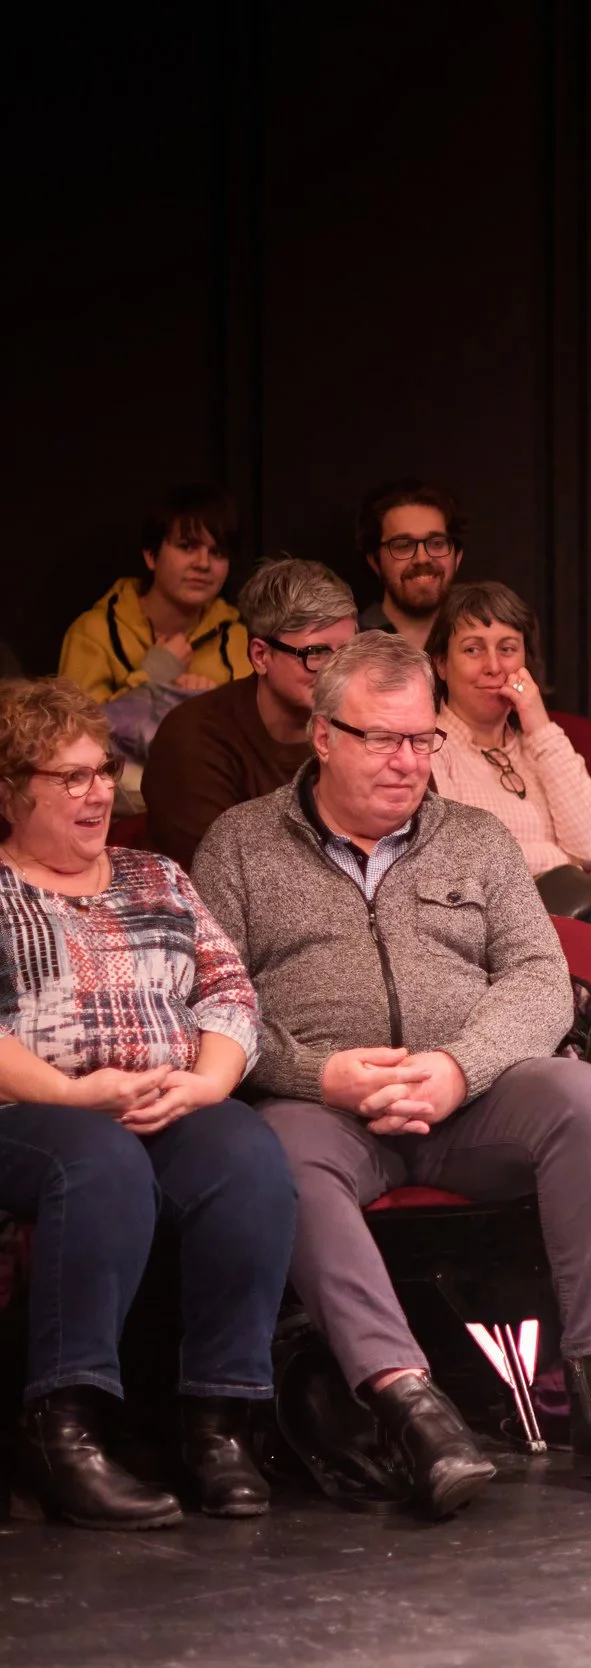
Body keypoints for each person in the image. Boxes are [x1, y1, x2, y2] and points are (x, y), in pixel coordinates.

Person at [192, 632, 591, 1516]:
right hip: (327, 1109)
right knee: (281, 1161)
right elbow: (211, 1005)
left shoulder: (478, 837)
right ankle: (411, 1406)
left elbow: (542, 980)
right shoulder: (240, 846)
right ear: (324, 736)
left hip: (473, 1101)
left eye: (422, 739)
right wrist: (318, 1074)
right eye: (382, 739)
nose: (406, 761)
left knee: (580, 1096)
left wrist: (461, 1069)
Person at [0, 679, 296, 1529]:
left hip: (169, 1096)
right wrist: (70, 1093)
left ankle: (219, 1423)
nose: (99, 794)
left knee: (244, 1154)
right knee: (99, 1161)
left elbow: (231, 992)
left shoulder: (158, 875)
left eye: (103, 772)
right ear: (16, 790)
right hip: (31, 1110)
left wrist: (205, 1083)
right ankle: (67, 1432)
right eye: (71, 778)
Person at [423, 581, 591, 980]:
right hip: (498, 924)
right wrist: (557, 866)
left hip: (581, 910)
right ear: (442, 664)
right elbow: (459, 862)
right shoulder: (427, 751)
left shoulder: (539, 746)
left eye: (508, 649)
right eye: (473, 649)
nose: (494, 666)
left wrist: (538, 724)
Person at [143, 558, 360, 869]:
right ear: (261, 656)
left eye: (348, 653)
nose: (337, 671)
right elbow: (225, 872)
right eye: (316, 653)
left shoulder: (364, 726)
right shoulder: (193, 737)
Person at [58, 485, 250, 788]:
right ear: (151, 556)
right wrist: (154, 676)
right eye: (187, 547)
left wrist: (213, 702)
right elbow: (70, 739)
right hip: (116, 803)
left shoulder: (236, 637)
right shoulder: (94, 632)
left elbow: (255, 737)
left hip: (213, 795)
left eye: (217, 552)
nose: (203, 563)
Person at [355, 479, 466, 647]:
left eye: (436, 543)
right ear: (375, 562)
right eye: (403, 546)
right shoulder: (347, 641)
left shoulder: (486, 645)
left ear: (457, 557)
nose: (422, 558)